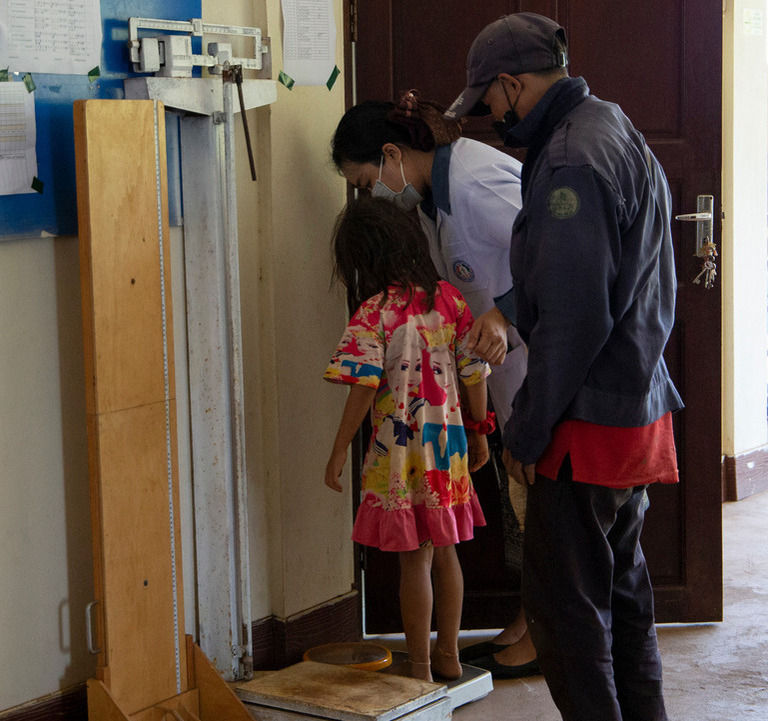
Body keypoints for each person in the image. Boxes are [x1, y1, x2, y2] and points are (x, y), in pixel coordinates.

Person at [446, 12, 683, 721]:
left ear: (513, 85)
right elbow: (594, 280)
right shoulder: (610, 125)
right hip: (634, 408)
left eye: (488, 100)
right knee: (622, 601)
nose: (489, 118)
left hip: (587, 426)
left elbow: (576, 317)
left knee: (564, 617)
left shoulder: (571, 163)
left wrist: (524, 430)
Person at [331, 94, 540, 679]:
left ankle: (545, 634)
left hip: (541, 362)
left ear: (392, 154)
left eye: (368, 179)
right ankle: (529, 623)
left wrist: (502, 312)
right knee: (524, 508)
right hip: (489, 396)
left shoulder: (473, 182)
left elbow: (559, 253)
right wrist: (479, 425)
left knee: (546, 510)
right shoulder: (431, 206)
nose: (372, 193)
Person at [323, 196, 494, 683]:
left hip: (396, 455)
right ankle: (450, 655)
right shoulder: (451, 300)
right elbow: (474, 371)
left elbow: (362, 387)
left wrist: (339, 450)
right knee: (447, 550)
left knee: (412, 559)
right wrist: (480, 431)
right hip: (447, 448)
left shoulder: (374, 312)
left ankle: (419, 666)